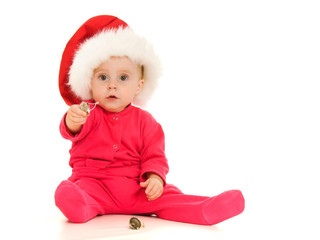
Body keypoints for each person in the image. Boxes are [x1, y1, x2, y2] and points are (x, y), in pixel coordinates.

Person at [55, 15, 245, 225]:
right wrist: (73, 119)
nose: (112, 85)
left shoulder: (146, 122)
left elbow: (154, 155)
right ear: (90, 83)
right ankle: (78, 206)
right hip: (95, 184)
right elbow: (71, 129)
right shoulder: (88, 113)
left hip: (137, 188)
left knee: (167, 196)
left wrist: (155, 177)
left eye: (123, 78)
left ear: (139, 86)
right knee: (81, 192)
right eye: (103, 77)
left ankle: (205, 210)